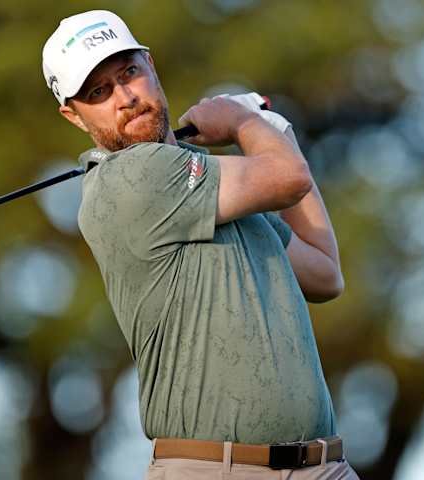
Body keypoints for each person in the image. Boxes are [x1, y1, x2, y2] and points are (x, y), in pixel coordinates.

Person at [43, 10, 358, 480]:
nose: (125, 98)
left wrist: (276, 131)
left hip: (322, 466)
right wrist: (242, 124)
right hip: (216, 471)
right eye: (98, 92)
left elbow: (324, 272)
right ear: (74, 114)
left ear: (151, 66)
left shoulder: (213, 185)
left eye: (129, 72)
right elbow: (288, 177)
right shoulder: (129, 178)